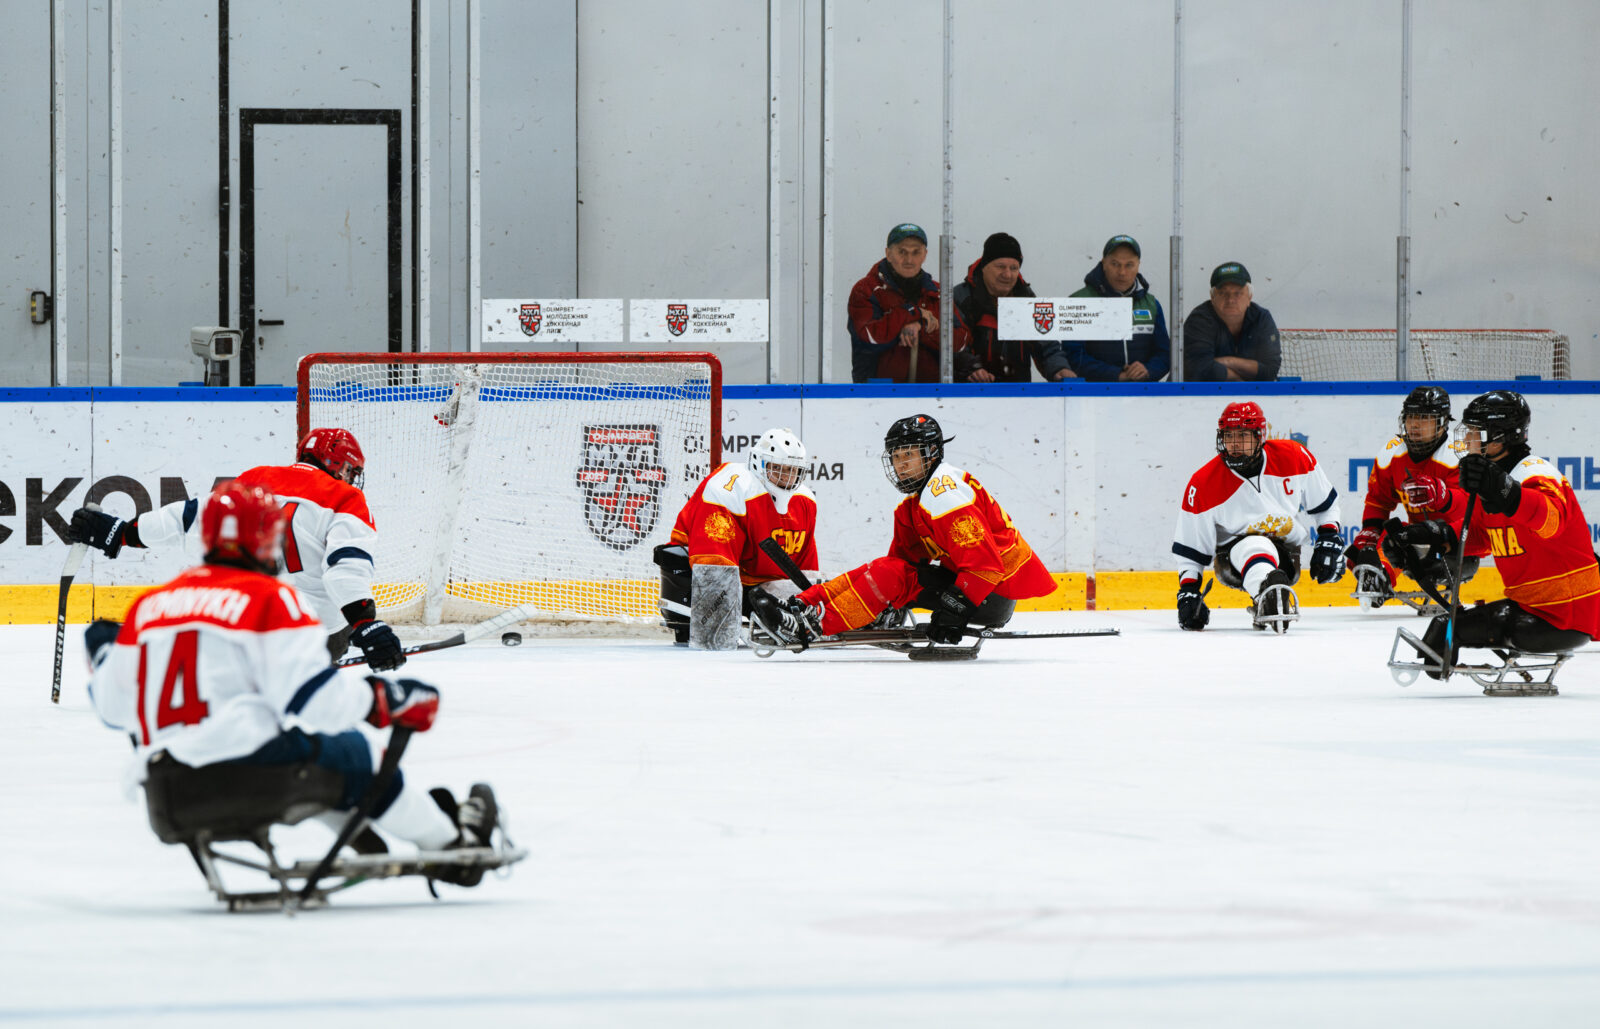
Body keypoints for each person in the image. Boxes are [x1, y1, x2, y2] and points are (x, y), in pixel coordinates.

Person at [84, 482, 499, 886]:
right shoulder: (270, 598)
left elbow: (112, 708)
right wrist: (388, 698)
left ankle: (355, 825)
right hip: (249, 782)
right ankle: (456, 849)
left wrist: (105, 656)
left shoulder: (150, 607)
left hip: (168, 800)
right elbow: (318, 703)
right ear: (270, 539)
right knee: (357, 752)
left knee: (308, 750)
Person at [67, 427, 403, 670]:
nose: (351, 478)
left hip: (243, 621)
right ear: (339, 465)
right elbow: (345, 569)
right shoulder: (347, 498)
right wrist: (364, 623)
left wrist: (122, 533)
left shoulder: (256, 477)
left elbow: (186, 516)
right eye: (351, 470)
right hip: (312, 634)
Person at [748, 414, 1055, 647]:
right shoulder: (914, 506)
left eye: (908, 455)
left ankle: (806, 628)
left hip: (989, 596)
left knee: (890, 573)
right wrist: (877, 603)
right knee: (884, 567)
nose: (901, 465)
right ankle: (803, 604)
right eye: (896, 457)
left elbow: (986, 567)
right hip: (975, 588)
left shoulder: (945, 493)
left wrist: (954, 611)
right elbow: (895, 567)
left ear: (931, 453)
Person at [1400, 391, 1599, 678]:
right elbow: (1482, 535)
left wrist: (1507, 492)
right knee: (1445, 627)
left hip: (1563, 615)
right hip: (1532, 607)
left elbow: (1550, 519)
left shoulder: (1536, 474)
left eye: (1474, 432)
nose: (1467, 439)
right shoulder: (1493, 479)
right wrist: (1430, 538)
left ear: (1498, 438)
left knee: (1450, 629)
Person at [1172, 401, 1345, 634]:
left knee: (1263, 546)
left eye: (1242, 435)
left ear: (1259, 436)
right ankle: (1268, 593)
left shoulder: (1294, 456)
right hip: (1233, 559)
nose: (1234, 444)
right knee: (1255, 544)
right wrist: (1189, 592)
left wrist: (1329, 539)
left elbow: (1326, 505)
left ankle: (1271, 591)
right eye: (1228, 436)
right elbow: (1190, 551)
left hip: (1287, 554)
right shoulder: (1203, 483)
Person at [655, 427, 820, 650]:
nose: (785, 477)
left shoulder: (805, 501)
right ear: (759, 463)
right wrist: (717, 631)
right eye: (777, 468)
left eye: (792, 470)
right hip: (700, 571)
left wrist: (811, 605)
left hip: (757, 582)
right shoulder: (728, 489)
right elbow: (713, 567)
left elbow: (805, 570)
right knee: (716, 637)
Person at [1345, 386, 1485, 608]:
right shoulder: (1391, 453)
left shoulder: (1460, 454)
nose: (1415, 425)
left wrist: (1443, 496)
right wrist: (1370, 532)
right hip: (1418, 540)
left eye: (1424, 418)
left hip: (1460, 544)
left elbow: (1474, 509)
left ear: (1442, 423)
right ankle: (1379, 577)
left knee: (1406, 539)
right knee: (1385, 538)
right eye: (1411, 417)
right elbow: (1379, 501)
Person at [950, 232, 1074, 383]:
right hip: (970, 391)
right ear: (984, 267)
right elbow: (953, 345)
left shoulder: (1026, 298)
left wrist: (1059, 368)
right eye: (1000, 266)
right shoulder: (960, 297)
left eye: (1014, 268)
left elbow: (1046, 343)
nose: (1007, 274)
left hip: (1019, 392)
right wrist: (972, 368)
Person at [847, 223, 963, 383]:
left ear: (925, 255)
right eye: (902, 252)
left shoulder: (937, 292)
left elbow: (961, 342)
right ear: (888, 254)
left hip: (930, 391)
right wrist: (912, 313)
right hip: (878, 390)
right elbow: (869, 337)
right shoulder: (866, 289)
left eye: (916, 252)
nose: (909, 260)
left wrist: (921, 328)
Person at [1063, 235, 1171, 382]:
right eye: (1115, 264)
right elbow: (1073, 356)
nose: (1122, 272)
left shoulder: (1151, 304)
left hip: (1143, 392)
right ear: (1103, 263)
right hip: (1094, 393)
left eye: (1129, 265)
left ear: (1138, 265)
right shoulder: (1079, 302)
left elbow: (1165, 355)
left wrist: (1147, 370)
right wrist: (1117, 375)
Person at [1182, 262, 1281, 382]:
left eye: (1238, 293)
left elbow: (1271, 370)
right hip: (1192, 393)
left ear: (1250, 296)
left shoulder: (1261, 318)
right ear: (1212, 297)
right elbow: (1201, 369)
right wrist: (1238, 381)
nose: (1230, 300)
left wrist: (1229, 361)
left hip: (1250, 392)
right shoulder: (1199, 320)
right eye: (1223, 293)